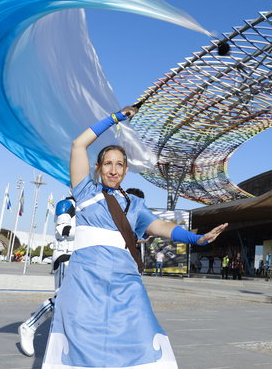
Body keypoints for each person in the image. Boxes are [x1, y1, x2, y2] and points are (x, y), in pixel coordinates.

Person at [42, 106, 228, 368]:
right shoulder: (85, 191)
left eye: (120, 165)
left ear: (126, 170)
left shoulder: (136, 205)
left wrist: (196, 239)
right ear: (98, 167)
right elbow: (78, 144)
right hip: (86, 277)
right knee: (82, 336)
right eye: (108, 163)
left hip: (125, 280)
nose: (114, 170)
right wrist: (115, 118)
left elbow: (161, 226)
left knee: (140, 331)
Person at [19, 196, 76, 357]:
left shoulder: (86, 206)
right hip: (66, 257)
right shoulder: (66, 204)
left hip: (79, 259)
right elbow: (62, 230)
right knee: (61, 298)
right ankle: (29, 326)